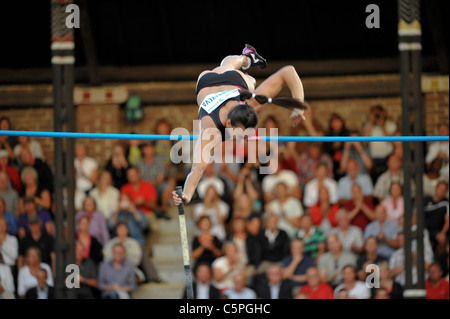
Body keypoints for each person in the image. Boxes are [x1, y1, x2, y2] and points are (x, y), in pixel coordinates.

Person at [172, 45, 308, 207]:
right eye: (240, 135)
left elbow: (289, 71)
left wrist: (298, 106)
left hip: (221, 81)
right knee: (238, 75)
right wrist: (187, 194)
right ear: (228, 123)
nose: (242, 140)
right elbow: (197, 169)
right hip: (210, 81)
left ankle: (246, 59)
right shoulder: (211, 130)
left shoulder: (252, 103)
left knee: (234, 73)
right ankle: (246, 60)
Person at [120, 167, 158, 256]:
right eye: (129, 175)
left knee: (155, 229)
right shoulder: (125, 188)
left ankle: (146, 252)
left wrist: (143, 202)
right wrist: (133, 204)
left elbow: (154, 205)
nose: (132, 177)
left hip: (146, 213)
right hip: (130, 214)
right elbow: (123, 203)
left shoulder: (148, 186)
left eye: (134, 174)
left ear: (139, 174)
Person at [136, 141, 174, 219]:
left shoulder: (159, 161)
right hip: (144, 188)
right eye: (146, 148)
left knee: (168, 186)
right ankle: (152, 211)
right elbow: (138, 179)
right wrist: (147, 187)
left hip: (157, 186)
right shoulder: (139, 162)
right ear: (143, 150)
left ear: (154, 149)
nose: (149, 150)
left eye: (150, 148)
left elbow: (160, 179)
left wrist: (151, 186)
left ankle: (163, 211)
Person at [362, 105, 397, 182]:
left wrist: (382, 125)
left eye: (378, 114)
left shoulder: (390, 124)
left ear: (383, 113)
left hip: (387, 157)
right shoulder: (369, 125)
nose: (377, 116)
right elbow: (364, 141)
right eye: (375, 114)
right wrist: (371, 122)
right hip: (374, 158)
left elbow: (389, 140)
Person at [423, 181, 449, 255]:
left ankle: (437, 259)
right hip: (424, 229)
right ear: (436, 189)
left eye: (444, 190)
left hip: (437, 231)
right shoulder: (426, 200)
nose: (441, 192)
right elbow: (417, 214)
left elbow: (448, 219)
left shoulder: (446, 203)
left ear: (446, 192)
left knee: (442, 239)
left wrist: (443, 232)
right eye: (440, 189)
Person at [323, 112, 350, 180]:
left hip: (345, 161)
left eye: (337, 121)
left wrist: (341, 144)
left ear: (342, 122)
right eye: (333, 122)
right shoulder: (328, 135)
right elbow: (325, 149)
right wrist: (333, 146)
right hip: (332, 163)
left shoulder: (347, 134)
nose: (336, 124)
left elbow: (348, 148)